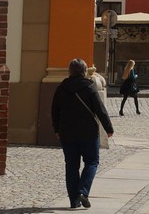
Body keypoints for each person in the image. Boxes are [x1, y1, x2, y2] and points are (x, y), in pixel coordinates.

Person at [51, 58, 114, 210]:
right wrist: (109, 128)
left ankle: (74, 201)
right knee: (92, 162)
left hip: (67, 133)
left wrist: (56, 130)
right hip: (88, 133)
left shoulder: (61, 88)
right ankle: (83, 191)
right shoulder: (89, 87)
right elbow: (100, 110)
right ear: (84, 71)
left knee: (71, 166)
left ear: (70, 71)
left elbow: (54, 111)